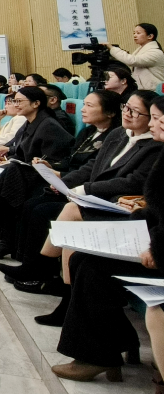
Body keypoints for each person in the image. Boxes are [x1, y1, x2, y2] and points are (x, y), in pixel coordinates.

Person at [0, 91, 157, 297]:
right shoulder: (119, 133)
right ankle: (37, 267)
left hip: (117, 203)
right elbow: (92, 166)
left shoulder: (154, 146)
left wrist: (85, 189)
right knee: (36, 204)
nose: (127, 114)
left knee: (54, 212)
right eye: (126, 107)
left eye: (135, 112)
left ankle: (44, 273)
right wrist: (65, 182)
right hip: (94, 196)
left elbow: (132, 182)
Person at [47, 149, 164, 382]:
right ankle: (109, 346)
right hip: (155, 242)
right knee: (82, 259)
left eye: (159, 119)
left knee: (96, 270)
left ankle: (99, 355)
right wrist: (143, 219)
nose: (155, 123)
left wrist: (158, 247)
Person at [0, 86, 75, 259]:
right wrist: (9, 156)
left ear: (36, 103)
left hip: (48, 175)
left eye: (19, 101)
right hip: (28, 169)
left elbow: (55, 159)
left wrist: (19, 160)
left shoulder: (49, 125)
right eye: (14, 101)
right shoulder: (31, 121)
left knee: (14, 178)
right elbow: (20, 149)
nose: (15, 104)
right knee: (7, 170)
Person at [105, 23, 164, 91]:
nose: (135, 35)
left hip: (154, 91)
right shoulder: (141, 50)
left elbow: (132, 60)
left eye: (138, 33)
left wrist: (112, 49)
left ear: (150, 36)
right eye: (134, 33)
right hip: (146, 91)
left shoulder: (155, 52)